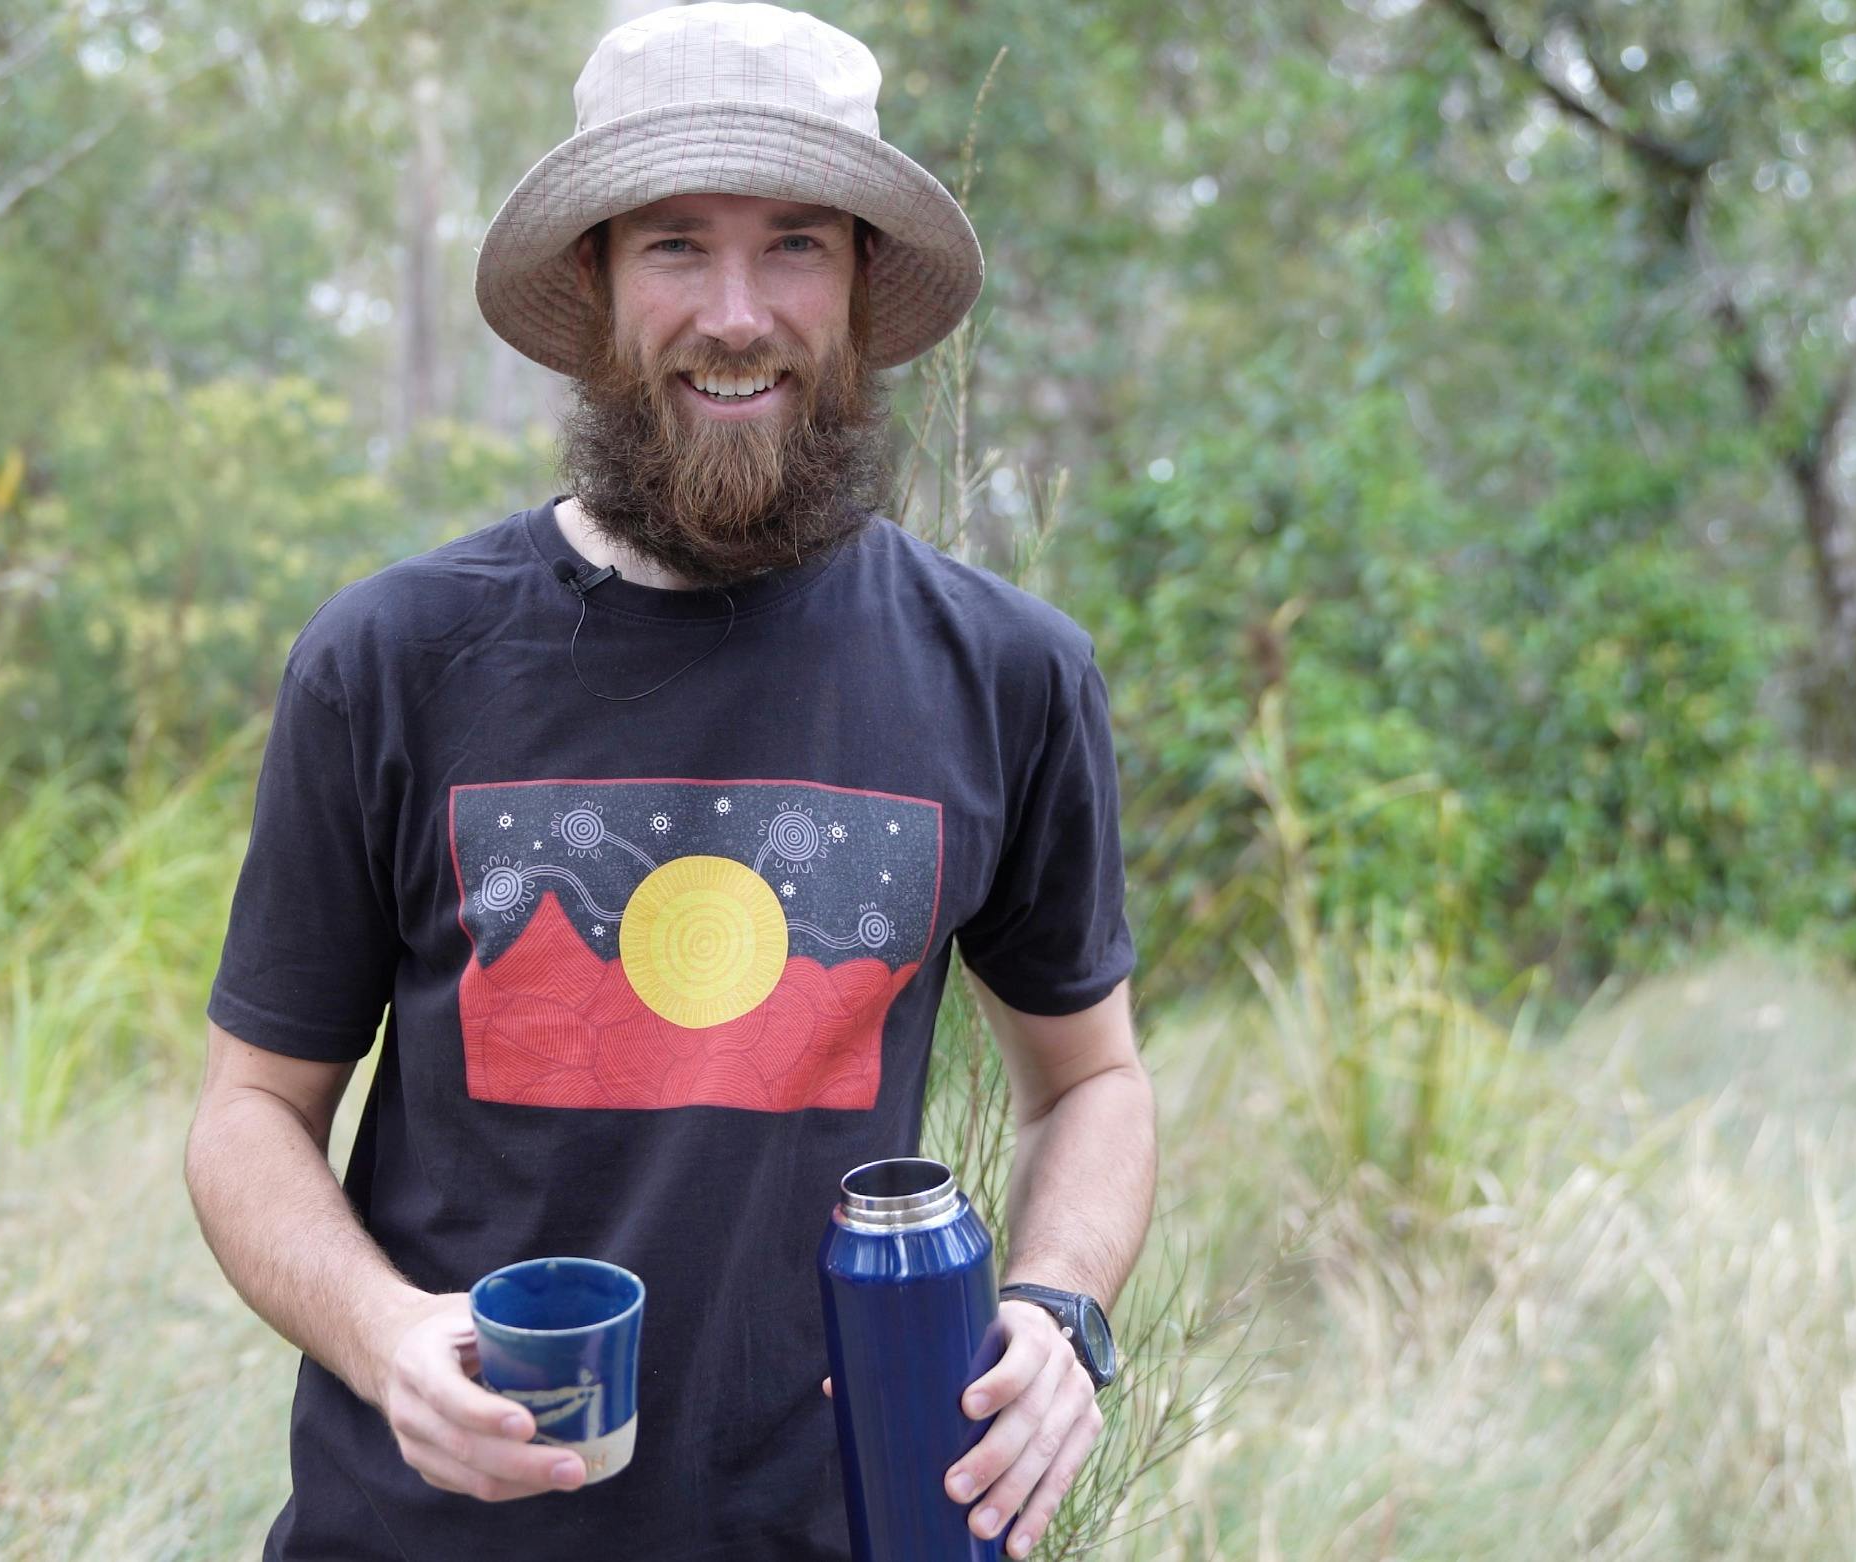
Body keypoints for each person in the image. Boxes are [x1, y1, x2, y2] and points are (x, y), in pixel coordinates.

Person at [186, 5, 1154, 1558]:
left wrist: (1057, 1313)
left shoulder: (1004, 673)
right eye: (672, 248)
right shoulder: (391, 658)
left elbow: (1090, 1081)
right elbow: (248, 1113)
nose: (736, 312)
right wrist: (381, 1338)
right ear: (591, 284)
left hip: (855, 1521)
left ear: (854, 292)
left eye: (792, 246)